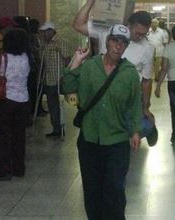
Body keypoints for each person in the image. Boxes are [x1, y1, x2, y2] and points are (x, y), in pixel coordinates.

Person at [61, 24, 141, 219]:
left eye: (123, 43)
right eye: (115, 41)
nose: (118, 46)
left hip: (117, 140)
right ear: (107, 42)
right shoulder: (90, 66)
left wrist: (135, 131)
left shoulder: (129, 73)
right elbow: (68, 87)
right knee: (92, 189)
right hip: (90, 139)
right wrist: (76, 62)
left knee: (114, 188)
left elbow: (134, 105)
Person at [73, 0, 157, 146]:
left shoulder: (147, 47)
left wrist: (145, 107)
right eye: (137, 32)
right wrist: (91, 2)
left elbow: (146, 81)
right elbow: (78, 25)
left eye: (143, 34)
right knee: (100, 136)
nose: (140, 37)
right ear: (129, 24)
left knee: (124, 138)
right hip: (101, 95)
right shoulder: (108, 31)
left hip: (127, 100)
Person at [0, 28, 30, 181]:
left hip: (5, 100)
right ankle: (19, 168)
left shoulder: (1, 58)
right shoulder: (26, 57)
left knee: (4, 137)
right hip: (23, 101)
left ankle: (4, 170)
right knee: (19, 136)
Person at [39, 22, 70, 137]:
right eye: (42, 32)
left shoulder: (60, 42)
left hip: (59, 78)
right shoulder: (44, 43)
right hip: (48, 79)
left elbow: (67, 59)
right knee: (52, 105)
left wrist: (66, 76)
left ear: (52, 31)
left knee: (62, 104)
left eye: (45, 31)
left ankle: (60, 127)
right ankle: (56, 129)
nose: (43, 34)